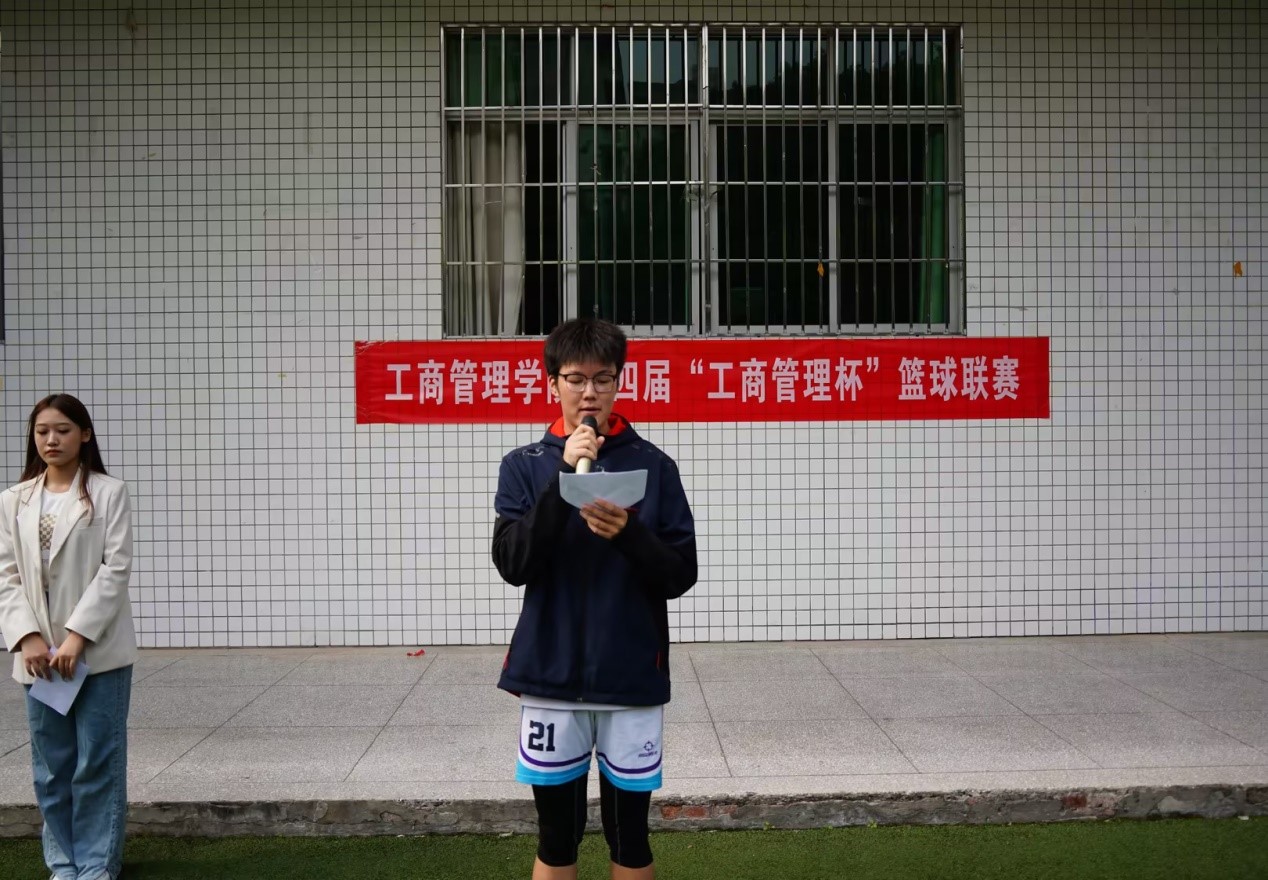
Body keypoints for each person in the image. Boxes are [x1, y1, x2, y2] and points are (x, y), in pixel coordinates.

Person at [492, 318, 697, 880]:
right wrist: (563, 476)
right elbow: (513, 564)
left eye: (603, 379)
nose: (590, 393)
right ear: (552, 383)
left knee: (630, 838)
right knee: (557, 837)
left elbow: (681, 573)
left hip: (629, 676)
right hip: (550, 674)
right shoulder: (524, 465)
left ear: (618, 382)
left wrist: (629, 534)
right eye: (576, 379)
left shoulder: (654, 465)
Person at [0, 394, 136, 880]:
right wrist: (27, 637)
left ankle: (96, 864)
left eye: (62, 430)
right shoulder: (14, 499)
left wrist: (77, 637)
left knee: (97, 761)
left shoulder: (109, 492)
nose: (51, 440)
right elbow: (7, 575)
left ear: (85, 434)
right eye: (42, 431)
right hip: (37, 657)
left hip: (96, 652)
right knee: (51, 766)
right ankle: (63, 863)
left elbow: (114, 569)